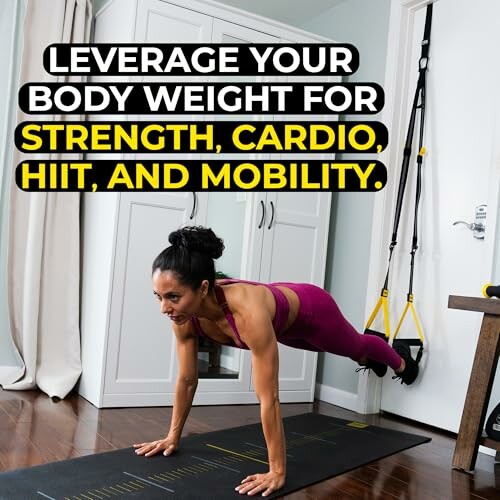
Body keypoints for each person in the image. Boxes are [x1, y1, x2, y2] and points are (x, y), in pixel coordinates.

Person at [133, 226, 419, 497]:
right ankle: (372, 357)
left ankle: (401, 363)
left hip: (312, 312)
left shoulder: (247, 313)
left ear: (204, 288)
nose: (164, 308)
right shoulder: (182, 317)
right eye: (158, 296)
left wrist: (277, 471)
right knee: (338, 349)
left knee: (353, 346)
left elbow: (269, 397)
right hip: (282, 324)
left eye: (173, 297)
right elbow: (187, 379)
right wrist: (172, 437)